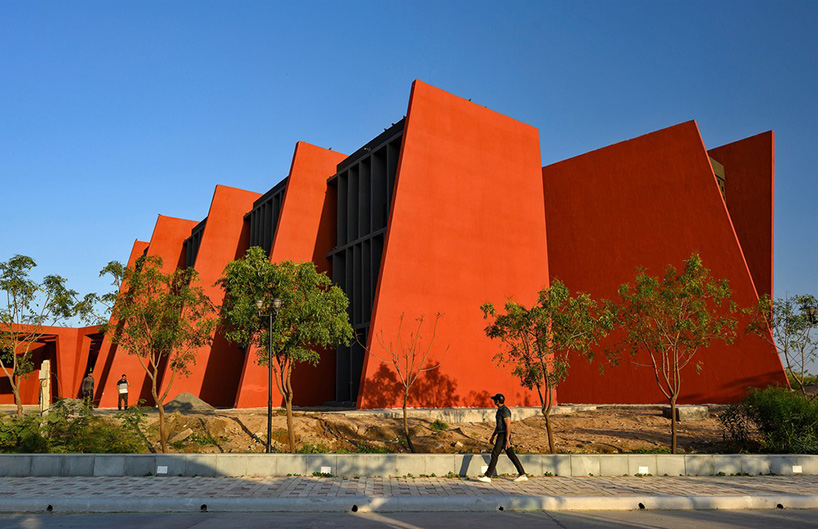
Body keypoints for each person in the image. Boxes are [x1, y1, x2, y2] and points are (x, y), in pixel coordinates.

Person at [477, 393, 527, 483]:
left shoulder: (505, 411)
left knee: (495, 454)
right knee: (511, 455)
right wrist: (493, 436)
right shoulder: (500, 410)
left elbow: (508, 426)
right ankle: (522, 474)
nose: (493, 401)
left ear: (497, 401)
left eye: (494, 400)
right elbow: (499, 426)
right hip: (501, 434)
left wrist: (507, 440)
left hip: (504, 435)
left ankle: (488, 476)